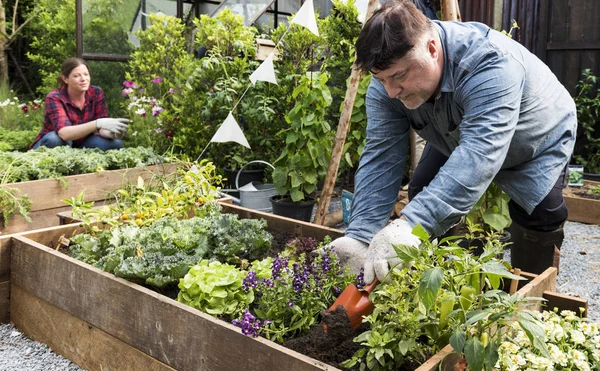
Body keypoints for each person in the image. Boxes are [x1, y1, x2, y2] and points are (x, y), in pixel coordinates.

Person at [330, 1, 577, 284]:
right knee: (422, 187)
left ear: (432, 49)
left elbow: (479, 154)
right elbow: (381, 155)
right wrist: (360, 235)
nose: (391, 91)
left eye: (399, 76)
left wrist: (412, 224)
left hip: (536, 132)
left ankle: (532, 298)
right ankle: (449, 282)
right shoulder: (388, 84)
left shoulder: (490, 65)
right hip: (459, 128)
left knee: (539, 213)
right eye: (381, 79)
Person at [31, 57, 130, 150]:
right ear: (65, 79)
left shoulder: (96, 92)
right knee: (54, 139)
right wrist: (97, 123)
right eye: (76, 76)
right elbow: (64, 133)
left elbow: (101, 128)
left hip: (82, 142)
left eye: (86, 74)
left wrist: (111, 133)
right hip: (54, 143)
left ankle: (82, 163)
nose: (83, 79)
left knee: (116, 143)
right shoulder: (55, 97)